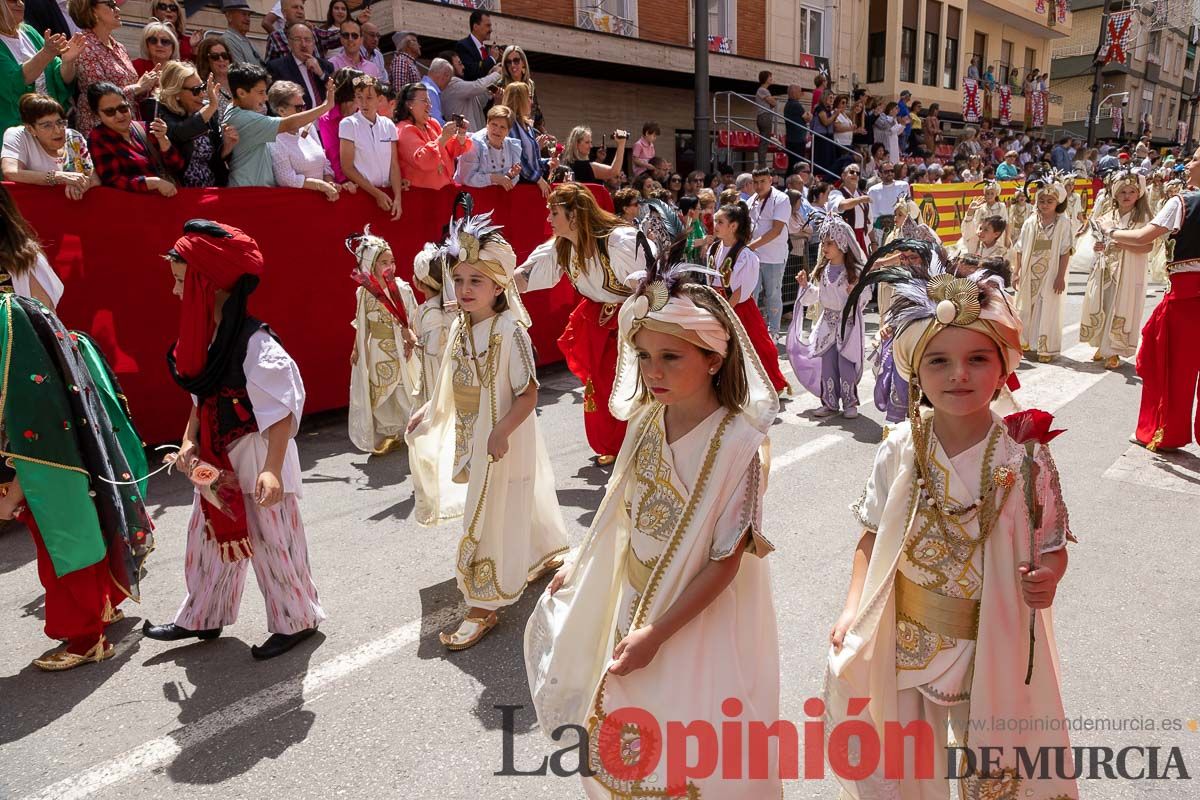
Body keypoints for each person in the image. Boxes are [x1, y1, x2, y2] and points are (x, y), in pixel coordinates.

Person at [525, 265, 781, 799]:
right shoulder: (645, 421)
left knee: (693, 740)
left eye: (671, 356)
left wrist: (657, 635)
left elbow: (726, 561)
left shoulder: (741, 445)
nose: (652, 371)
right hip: (635, 604)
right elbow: (620, 506)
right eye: (643, 356)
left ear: (715, 358)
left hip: (695, 621)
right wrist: (579, 560)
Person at [827, 251, 1076, 800]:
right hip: (907, 638)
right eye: (938, 361)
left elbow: (1052, 541)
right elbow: (871, 535)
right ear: (915, 371)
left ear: (1003, 366)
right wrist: (853, 607)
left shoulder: (1024, 455)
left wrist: (1050, 574)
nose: (958, 374)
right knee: (913, 762)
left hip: (991, 638)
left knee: (992, 765)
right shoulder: (899, 447)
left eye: (977, 359)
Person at [143, 220, 326, 660]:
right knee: (205, 537)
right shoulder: (201, 338)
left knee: (273, 540)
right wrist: (188, 441)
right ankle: (204, 615)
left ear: (209, 283)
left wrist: (271, 468)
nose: (174, 293)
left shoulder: (255, 342)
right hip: (214, 458)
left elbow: (280, 408)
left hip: (257, 454)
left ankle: (296, 618)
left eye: (181, 283)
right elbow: (200, 399)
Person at [406, 212, 568, 649]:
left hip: (501, 436)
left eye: (476, 281)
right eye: (458, 279)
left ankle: (483, 602)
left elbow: (529, 393)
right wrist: (429, 409)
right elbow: (449, 375)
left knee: (490, 508)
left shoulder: (509, 330)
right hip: (472, 431)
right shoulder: (462, 324)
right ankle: (539, 551)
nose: (464, 290)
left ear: (500, 287)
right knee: (514, 496)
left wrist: (501, 432)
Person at [0, 274, 152, 670]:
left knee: (62, 540)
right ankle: (104, 605)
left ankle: (86, 639)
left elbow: (21, 409)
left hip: (41, 456)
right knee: (82, 525)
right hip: (58, 445)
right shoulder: (22, 310)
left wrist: (13, 484)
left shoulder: (8, 320)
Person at [514, 182, 648, 464]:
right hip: (597, 319)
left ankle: (641, 441)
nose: (549, 220)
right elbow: (525, 277)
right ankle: (613, 443)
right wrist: (492, 286)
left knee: (631, 381)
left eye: (555, 213)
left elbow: (648, 282)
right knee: (599, 383)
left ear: (574, 215)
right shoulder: (561, 246)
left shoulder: (617, 241)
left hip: (632, 319)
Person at [1103, 145, 1200, 450]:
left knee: (1172, 368)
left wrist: (1111, 231)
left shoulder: (1183, 201)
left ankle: (1164, 431)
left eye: (1196, 158)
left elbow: (1144, 236)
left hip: (1187, 298)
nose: (1190, 162)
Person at [347, 227, 420, 454]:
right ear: (371, 265)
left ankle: (414, 428)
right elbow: (362, 324)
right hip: (378, 349)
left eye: (393, 261)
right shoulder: (365, 292)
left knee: (404, 388)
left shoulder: (403, 289)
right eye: (384, 262)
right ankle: (390, 433)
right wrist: (357, 348)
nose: (390, 266)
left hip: (401, 348)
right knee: (381, 393)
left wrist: (411, 340)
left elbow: (413, 317)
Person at [787, 213, 868, 418]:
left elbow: (866, 295)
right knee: (828, 365)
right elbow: (817, 296)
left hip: (847, 325)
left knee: (845, 364)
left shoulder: (855, 271)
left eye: (830, 243)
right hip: (827, 324)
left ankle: (850, 403)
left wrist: (855, 292)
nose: (825, 247)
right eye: (823, 242)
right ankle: (830, 402)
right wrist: (806, 286)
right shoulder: (823, 270)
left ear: (842, 243)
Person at [707, 202, 790, 394]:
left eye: (720, 222)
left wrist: (726, 312)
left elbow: (740, 290)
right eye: (715, 221)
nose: (715, 225)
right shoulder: (714, 248)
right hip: (717, 305)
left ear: (733, 226)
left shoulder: (745, 255)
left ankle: (772, 385)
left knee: (755, 346)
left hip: (739, 309)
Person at [1080, 170, 1152, 370]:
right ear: (1114, 193)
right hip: (1106, 268)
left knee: (1121, 306)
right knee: (1104, 303)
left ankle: (1114, 351)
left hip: (1129, 269)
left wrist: (1125, 245)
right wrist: (1099, 247)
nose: (1126, 195)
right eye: (1122, 191)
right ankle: (1102, 346)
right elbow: (1100, 241)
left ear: (1139, 194)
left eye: (1131, 191)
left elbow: (1148, 246)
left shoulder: (1142, 217)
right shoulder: (1106, 216)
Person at [224, 63, 332, 187]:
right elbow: (290, 123)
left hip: (256, 192)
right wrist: (326, 106)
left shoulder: (234, 111)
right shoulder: (244, 118)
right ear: (241, 93)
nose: (265, 98)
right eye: (260, 92)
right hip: (247, 194)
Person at [69, 0, 157, 135]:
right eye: (110, 5)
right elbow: (98, 96)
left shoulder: (119, 47)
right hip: (101, 133)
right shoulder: (83, 46)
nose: (117, 9)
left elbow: (131, 90)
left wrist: (148, 84)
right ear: (92, 11)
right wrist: (137, 87)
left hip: (128, 128)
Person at [1012, 173, 1073, 362]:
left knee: (1046, 307)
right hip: (1030, 271)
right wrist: (1017, 271)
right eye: (1042, 200)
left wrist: (1060, 276)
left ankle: (1045, 348)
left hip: (1051, 271)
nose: (1045, 204)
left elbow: (1065, 251)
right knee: (1025, 306)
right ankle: (1025, 341)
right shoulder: (1031, 222)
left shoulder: (1063, 223)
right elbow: (1020, 248)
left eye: (1050, 201)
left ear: (1058, 203)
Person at [87, 81, 183, 194]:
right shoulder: (98, 138)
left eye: (123, 108)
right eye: (110, 112)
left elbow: (178, 166)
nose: (119, 115)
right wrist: (152, 183)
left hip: (167, 198)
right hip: (133, 206)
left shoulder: (146, 128)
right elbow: (112, 180)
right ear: (97, 114)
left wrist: (163, 140)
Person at [149, 60, 233, 188]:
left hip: (212, 187)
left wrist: (227, 146)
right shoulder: (159, 109)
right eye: (195, 90)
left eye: (202, 87)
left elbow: (216, 156)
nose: (202, 94)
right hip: (180, 190)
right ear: (176, 92)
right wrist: (211, 107)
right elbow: (179, 133)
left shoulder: (206, 110)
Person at [0, 0, 81, 131]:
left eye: (21, 0)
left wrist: (68, 61)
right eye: (12, 0)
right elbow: (14, 82)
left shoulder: (29, 32)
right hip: (16, 131)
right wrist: (46, 53)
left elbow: (60, 77)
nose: (20, 4)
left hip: (51, 127)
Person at [2, 92, 97, 200]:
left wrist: (82, 185)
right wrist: (58, 177)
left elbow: (94, 176)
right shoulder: (18, 135)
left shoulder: (74, 137)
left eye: (60, 122)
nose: (58, 130)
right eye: (47, 125)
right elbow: (11, 172)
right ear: (30, 129)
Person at [338, 75, 402, 220]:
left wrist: (398, 198)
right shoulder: (348, 124)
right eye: (359, 97)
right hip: (363, 196)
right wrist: (376, 194)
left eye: (369, 97)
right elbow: (347, 167)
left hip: (387, 196)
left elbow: (394, 165)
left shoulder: (388, 124)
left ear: (379, 99)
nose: (363, 103)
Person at [267, 79, 339, 200]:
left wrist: (329, 182)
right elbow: (286, 179)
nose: (305, 112)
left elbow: (324, 162)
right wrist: (320, 186)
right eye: (299, 108)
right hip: (298, 204)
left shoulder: (308, 128)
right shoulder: (275, 139)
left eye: (305, 106)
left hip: (324, 199)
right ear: (281, 111)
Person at [395, 80, 470, 191]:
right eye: (424, 101)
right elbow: (422, 160)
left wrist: (461, 134)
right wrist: (442, 138)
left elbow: (451, 151)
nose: (429, 106)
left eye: (429, 101)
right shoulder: (404, 129)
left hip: (444, 191)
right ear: (409, 104)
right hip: (421, 195)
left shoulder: (433, 123)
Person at [410, 236, 455, 408]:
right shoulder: (441, 307)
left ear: (419, 283)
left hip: (437, 377)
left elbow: (431, 351)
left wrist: (411, 338)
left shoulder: (432, 312)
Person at [746, 167, 791, 337]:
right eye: (755, 182)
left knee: (773, 295)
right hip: (753, 257)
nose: (758, 186)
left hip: (774, 256)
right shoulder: (750, 201)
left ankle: (774, 331)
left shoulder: (781, 199)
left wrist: (751, 246)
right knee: (751, 296)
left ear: (770, 180)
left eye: (762, 181)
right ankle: (754, 331)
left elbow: (776, 230)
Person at [267, 22, 334, 110]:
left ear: (313, 43)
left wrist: (321, 73)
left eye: (307, 40)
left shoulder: (325, 65)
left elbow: (335, 91)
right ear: (289, 43)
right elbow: (274, 104)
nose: (303, 44)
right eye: (298, 39)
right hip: (299, 120)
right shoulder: (277, 67)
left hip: (324, 119)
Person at [502, 81, 553, 195]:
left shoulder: (526, 125)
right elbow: (519, 160)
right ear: (519, 100)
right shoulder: (511, 125)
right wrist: (539, 179)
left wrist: (548, 162)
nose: (532, 101)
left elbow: (533, 161)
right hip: (522, 186)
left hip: (532, 180)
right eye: (529, 97)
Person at [454, 103, 521, 189]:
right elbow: (467, 177)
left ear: (508, 131)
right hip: (469, 195)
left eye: (502, 127)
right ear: (487, 123)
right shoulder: (475, 143)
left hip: (495, 197)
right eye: (494, 124)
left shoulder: (511, 146)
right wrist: (494, 178)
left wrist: (509, 176)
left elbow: (511, 180)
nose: (497, 130)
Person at [317, 66, 360, 185]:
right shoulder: (327, 119)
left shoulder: (365, 112)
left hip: (370, 178)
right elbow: (333, 154)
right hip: (347, 184)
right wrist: (345, 181)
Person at [442, 57, 501, 132]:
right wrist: (496, 74)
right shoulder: (452, 85)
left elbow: (479, 102)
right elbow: (478, 86)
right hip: (466, 139)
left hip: (473, 137)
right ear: (449, 67)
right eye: (459, 64)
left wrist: (490, 76)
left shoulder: (458, 87)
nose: (463, 67)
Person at [829, 162, 871, 256]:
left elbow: (869, 222)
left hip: (862, 239)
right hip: (844, 238)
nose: (855, 174)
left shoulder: (862, 195)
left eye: (858, 173)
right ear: (843, 176)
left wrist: (874, 242)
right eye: (852, 172)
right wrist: (859, 200)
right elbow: (842, 205)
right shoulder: (836, 193)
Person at [866, 160, 910, 248]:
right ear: (880, 174)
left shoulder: (903, 185)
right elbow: (870, 215)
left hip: (899, 227)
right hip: (880, 230)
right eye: (886, 171)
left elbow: (908, 207)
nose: (890, 173)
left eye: (892, 171)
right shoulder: (873, 190)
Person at [960, 179, 1008, 250]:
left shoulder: (1001, 206)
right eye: (987, 193)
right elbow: (976, 224)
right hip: (982, 238)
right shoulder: (981, 207)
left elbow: (1004, 223)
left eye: (992, 193)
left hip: (996, 238)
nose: (989, 195)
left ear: (996, 194)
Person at [220, 0, 264, 69]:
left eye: (249, 15)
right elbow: (241, 72)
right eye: (243, 14)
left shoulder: (246, 40)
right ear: (229, 17)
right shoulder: (228, 40)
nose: (248, 19)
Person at [454, 9, 495, 81]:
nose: (491, 30)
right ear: (475, 27)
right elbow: (472, 72)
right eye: (488, 26)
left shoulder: (485, 49)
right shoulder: (463, 46)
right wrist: (492, 59)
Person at [195, 37, 233, 115]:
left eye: (225, 55)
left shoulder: (241, 81)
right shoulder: (204, 90)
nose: (221, 59)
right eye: (215, 56)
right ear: (206, 60)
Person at [755, 70, 776, 169]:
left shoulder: (764, 91)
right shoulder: (763, 90)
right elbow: (773, 103)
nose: (771, 79)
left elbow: (772, 103)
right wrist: (772, 99)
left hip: (764, 116)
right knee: (764, 142)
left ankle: (762, 164)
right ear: (765, 78)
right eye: (770, 77)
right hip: (765, 116)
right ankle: (762, 165)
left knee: (765, 141)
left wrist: (772, 100)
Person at [420, 56, 450, 125]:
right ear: (445, 75)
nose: (447, 85)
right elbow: (436, 123)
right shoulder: (430, 91)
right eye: (448, 81)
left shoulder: (422, 85)